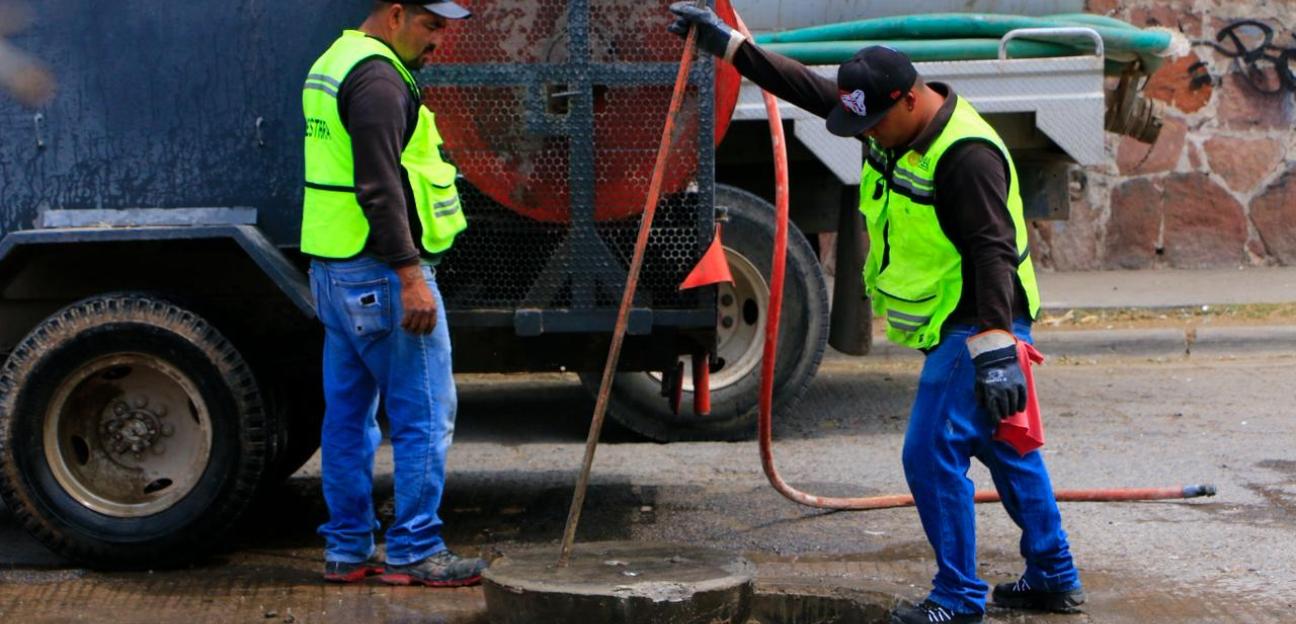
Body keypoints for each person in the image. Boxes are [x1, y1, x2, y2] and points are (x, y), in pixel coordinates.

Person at [667, 5, 1084, 623]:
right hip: (962, 320)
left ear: (912, 100)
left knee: (929, 452)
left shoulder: (966, 155)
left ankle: (958, 597)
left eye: (876, 123)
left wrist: (995, 347)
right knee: (1005, 446)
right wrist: (727, 45)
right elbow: (808, 87)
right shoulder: (886, 121)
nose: (868, 136)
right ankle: (1054, 574)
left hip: (974, 322)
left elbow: (993, 248)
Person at [301, 0, 485, 587]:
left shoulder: (336, 59)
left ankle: (348, 549)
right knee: (424, 416)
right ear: (396, 14)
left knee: (348, 418)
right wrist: (410, 276)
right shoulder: (379, 79)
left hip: (334, 270)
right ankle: (416, 551)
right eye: (432, 27)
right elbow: (378, 185)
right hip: (380, 272)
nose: (438, 42)